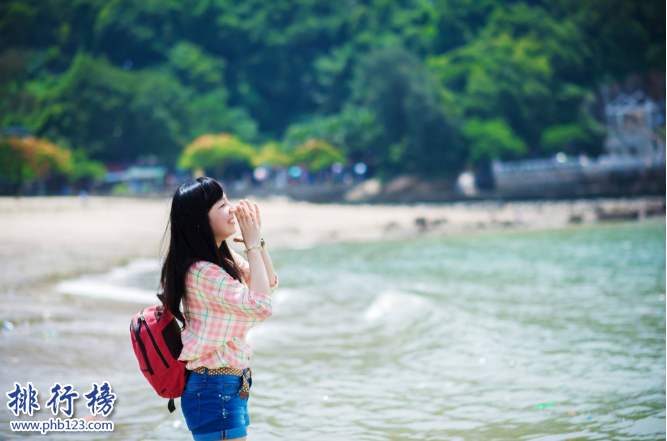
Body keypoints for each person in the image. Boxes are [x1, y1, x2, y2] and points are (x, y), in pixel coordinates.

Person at [157, 177, 279, 441]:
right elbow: (261, 305)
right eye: (222, 204)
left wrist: (257, 242)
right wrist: (252, 244)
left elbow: (266, 284)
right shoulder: (201, 270)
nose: (233, 208)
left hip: (226, 386)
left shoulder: (220, 259)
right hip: (214, 388)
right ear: (201, 220)